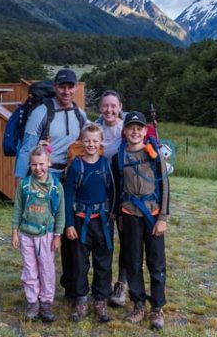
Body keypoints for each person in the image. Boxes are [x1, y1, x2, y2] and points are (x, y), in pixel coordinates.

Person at [14, 68, 87, 300]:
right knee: (42, 230)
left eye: (70, 86)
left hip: (71, 178)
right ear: (55, 87)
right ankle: (39, 285)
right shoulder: (42, 112)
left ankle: (69, 283)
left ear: (76, 88)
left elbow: (92, 139)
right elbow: (27, 147)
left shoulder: (80, 114)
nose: (66, 91)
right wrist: (20, 182)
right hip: (45, 178)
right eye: (62, 86)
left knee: (69, 229)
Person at [112, 111, 170, 331]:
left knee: (156, 263)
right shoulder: (118, 157)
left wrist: (163, 217)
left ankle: (157, 307)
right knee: (133, 262)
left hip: (153, 215)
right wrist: (118, 217)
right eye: (131, 127)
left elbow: (165, 187)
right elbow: (116, 191)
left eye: (139, 128)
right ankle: (138, 303)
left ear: (146, 131)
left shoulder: (155, 155)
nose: (135, 131)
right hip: (129, 216)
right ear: (124, 131)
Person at [64, 123, 116, 323]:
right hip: (80, 222)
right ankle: (81, 299)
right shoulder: (76, 165)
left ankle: (101, 299)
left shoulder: (105, 165)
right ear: (81, 142)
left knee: (103, 261)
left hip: (102, 222)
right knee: (79, 262)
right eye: (87, 141)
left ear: (101, 142)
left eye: (95, 141)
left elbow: (112, 192)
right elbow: (69, 196)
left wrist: (112, 215)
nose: (91, 144)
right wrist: (69, 224)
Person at [11, 143, 65, 323]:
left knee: (46, 269)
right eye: (34, 164)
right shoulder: (25, 185)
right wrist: (14, 232)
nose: (38, 168)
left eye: (41, 164)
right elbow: (17, 209)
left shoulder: (56, 187)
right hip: (26, 234)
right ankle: (32, 302)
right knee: (30, 269)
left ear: (49, 163)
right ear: (30, 165)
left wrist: (58, 235)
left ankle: (46, 302)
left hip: (46, 235)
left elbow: (61, 213)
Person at [95, 90, 130, 307]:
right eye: (105, 105)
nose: (109, 110)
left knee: (126, 240)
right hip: (101, 192)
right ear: (100, 107)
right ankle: (102, 285)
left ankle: (122, 284)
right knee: (104, 241)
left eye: (113, 106)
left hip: (125, 191)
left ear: (120, 107)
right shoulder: (92, 128)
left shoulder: (127, 129)